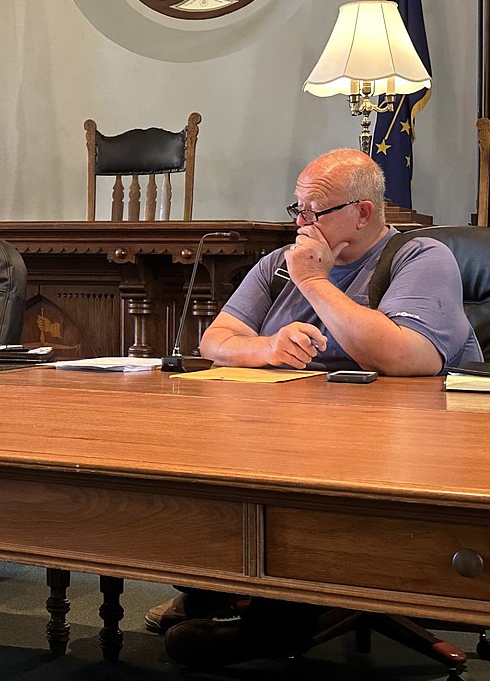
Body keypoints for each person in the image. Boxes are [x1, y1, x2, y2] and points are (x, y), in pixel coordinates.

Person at [154, 149, 481, 669]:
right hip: (286, 433)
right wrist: (265, 348)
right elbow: (217, 340)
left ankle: (276, 623)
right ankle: (226, 582)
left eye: (314, 211)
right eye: (297, 210)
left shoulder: (420, 258)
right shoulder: (277, 265)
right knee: (186, 477)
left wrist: (314, 283)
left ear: (363, 212)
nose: (301, 223)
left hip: (393, 448)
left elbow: (409, 357)